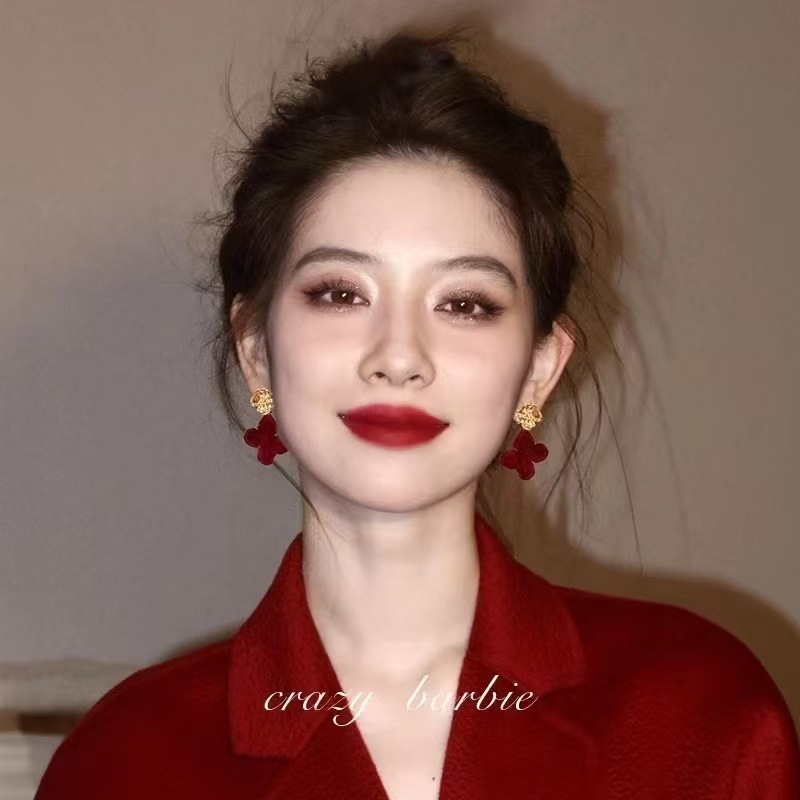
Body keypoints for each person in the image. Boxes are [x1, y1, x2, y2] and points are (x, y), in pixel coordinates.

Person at [35, 24, 799, 800]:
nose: (399, 356)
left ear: (539, 370)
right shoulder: (127, 761)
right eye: (341, 293)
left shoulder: (705, 718)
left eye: (465, 303)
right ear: (257, 349)